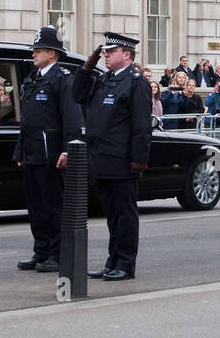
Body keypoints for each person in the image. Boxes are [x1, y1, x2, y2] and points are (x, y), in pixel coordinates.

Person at [72, 32, 152, 281]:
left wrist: (138, 160)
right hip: (102, 158)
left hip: (122, 160)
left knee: (125, 215)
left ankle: (125, 263)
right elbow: (78, 95)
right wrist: (87, 66)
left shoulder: (136, 82)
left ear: (126, 54)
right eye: (104, 52)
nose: (105, 55)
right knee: (112, 215)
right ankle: (112, 261)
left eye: (110, 51)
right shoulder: (104, 79)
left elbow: (141, 126)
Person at [13, 26, 82, 273]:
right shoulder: (34, 78)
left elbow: (71, 119)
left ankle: (56, 253)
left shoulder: (62, 79)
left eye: (38, 50)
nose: (34, 53)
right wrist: (20, 152)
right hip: (32, 151)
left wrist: (67, 150)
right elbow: (27, 122)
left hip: (50, 154)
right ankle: (40, 250)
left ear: (52, 53)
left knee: (53, 206)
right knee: (36, 207)